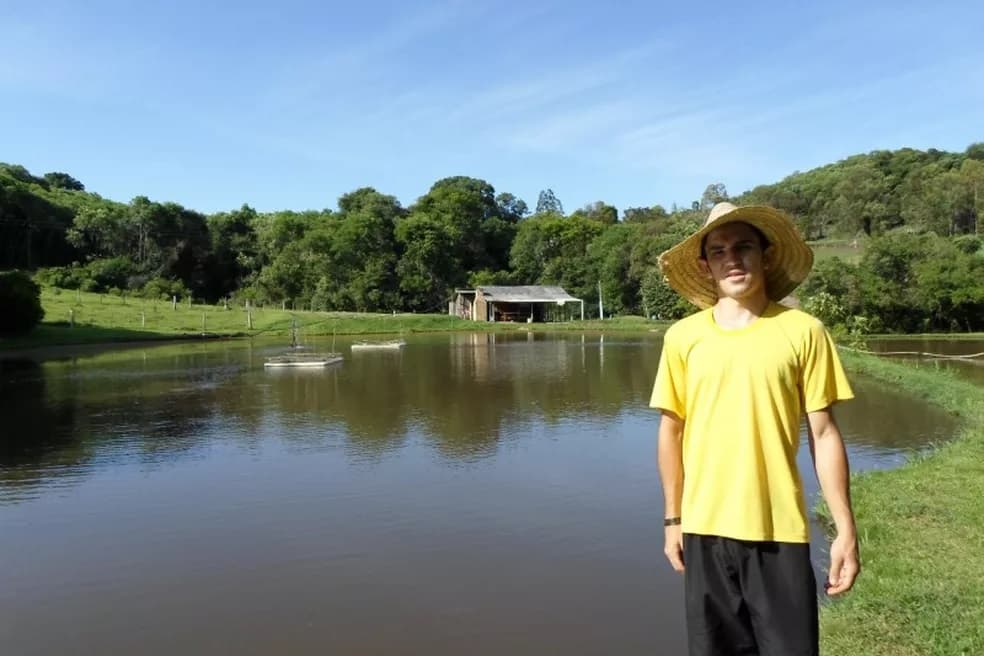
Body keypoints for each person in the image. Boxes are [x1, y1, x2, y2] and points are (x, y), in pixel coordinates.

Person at [650, 202, 860, 656]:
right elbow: (671, 432)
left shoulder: (804, 331)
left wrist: (845, 528)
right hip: (704, 531)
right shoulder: (683, 338)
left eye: (744, 247)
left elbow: (824, 434)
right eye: (719, 251)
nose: (732, 259)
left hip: (779, 532)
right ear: (705, 266)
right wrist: (673, 520)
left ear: (765, 256)